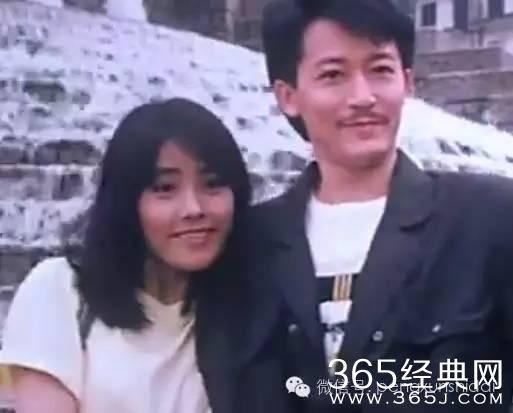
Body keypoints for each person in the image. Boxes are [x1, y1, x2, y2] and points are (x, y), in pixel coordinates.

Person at [239, 0, 513, 411]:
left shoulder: (489, 220)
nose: (363, 96)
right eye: (333, 75)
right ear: (289, 95)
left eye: (380, 70)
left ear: (407, 81)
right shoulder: (249, 245)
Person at [0, 97, 251, 413]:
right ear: (125, 200)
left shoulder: (248, 306)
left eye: (212, 184)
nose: (194, 208)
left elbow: (302, 388)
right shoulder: (59, 290)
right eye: (165, 188)